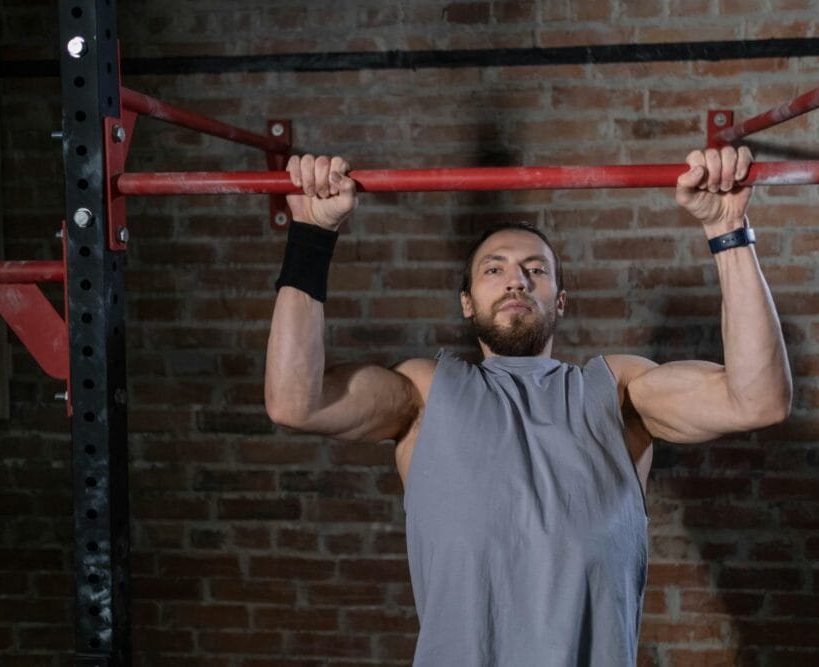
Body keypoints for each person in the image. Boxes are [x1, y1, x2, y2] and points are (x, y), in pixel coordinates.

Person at [264, 149, 791, 666]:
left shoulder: (617, 391)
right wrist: (312, 234)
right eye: (494, 269)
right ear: (467, 300)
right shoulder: (427, 393)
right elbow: (294, 401)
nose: (516, 279)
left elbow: (758, 400)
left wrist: (729, 231)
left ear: (560, 299)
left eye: (535, 269)